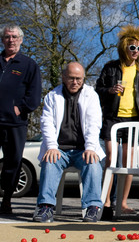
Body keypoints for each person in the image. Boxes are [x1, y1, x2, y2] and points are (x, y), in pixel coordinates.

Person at [33, 62, 105, 222]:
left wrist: (91, 148)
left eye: (79, 79)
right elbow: (46, 123)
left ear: (84, 78)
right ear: (64, 77)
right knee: (50, 161)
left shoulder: (91, 95)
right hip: (60, 149)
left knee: (93, 164)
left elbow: (94, 123)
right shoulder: (52, 96)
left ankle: (92, 208)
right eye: (71, 78)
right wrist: (52, 147)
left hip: (83, 149)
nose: (75, 82)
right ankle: (45, 207)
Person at [96, 25, 139, 219]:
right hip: (112, 117)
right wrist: (110, 90)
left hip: (134, 120)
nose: (136, 52)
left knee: (129, 162)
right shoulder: (110, 67)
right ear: (124, 48)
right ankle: (106, 202)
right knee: (111, 158)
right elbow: (98, 91)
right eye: (132, 48)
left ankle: (123, 202)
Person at [0, 25, 42, 214]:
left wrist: (21, 108)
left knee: (13, 162)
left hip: (15, 123)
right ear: (3, 39)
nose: (11, 40)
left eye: (14, 37)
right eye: (7, 37)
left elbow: (34, 94)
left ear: (21, 40)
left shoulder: (29, 65)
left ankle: (7, 200)